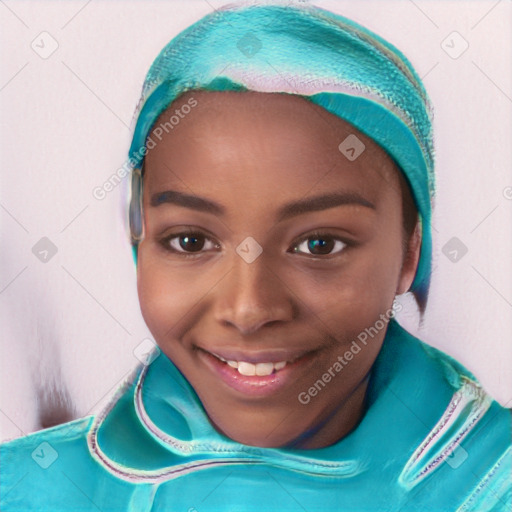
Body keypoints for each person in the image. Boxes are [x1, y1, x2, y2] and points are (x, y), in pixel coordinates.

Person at [1, 1, 510, 511]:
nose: (248, 310)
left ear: (408, 253)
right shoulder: (27, 489)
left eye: (319, 245)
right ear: (140, 238)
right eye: (191, 242)